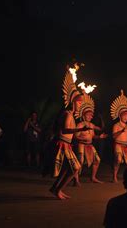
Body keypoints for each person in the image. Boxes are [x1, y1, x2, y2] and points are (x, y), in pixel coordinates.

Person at [49, 67, 91, 200]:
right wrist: (80, 130)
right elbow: (65, 130)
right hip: (62, 144)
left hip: (67, 145)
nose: (80, 104)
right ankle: (57, 189)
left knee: (70, 169)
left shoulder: (72, 115)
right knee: (75, 168)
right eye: (79, 102)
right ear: (73, 101)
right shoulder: (67, 114)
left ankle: (56, 189)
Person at [74, 93, 108, 185]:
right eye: (88, 115)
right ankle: (76, 180)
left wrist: (99, 136)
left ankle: (93, 177)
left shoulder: (92, 125)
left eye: (91, 115)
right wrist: (82, 138)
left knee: (97, 160)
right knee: (79, 161)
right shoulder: (80, 125)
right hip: (81, 144)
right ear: (84, 115)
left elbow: (99, 130)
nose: (90, 117)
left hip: (90, 145)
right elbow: (75, 136)